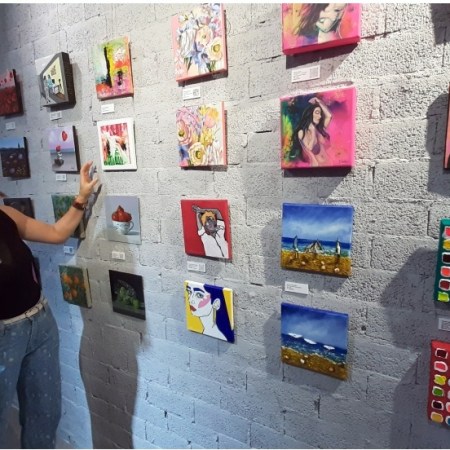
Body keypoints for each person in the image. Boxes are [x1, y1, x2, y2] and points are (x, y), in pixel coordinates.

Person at [0, 161, 98, 449]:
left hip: (40, 323)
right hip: (3, 337)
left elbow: (56, 233)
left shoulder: (5, 214)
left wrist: (82, 197)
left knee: (45, 415)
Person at [290, 96, 332, 166]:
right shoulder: (301, 132)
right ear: (310, 114)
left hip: (329, 163)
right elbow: (310, 147)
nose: (320, 116)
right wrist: (313, 131)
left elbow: (329, 116)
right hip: (317, 166)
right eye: (317, 113)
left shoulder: (319, 129)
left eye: (320, 114)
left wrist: (319, 102)